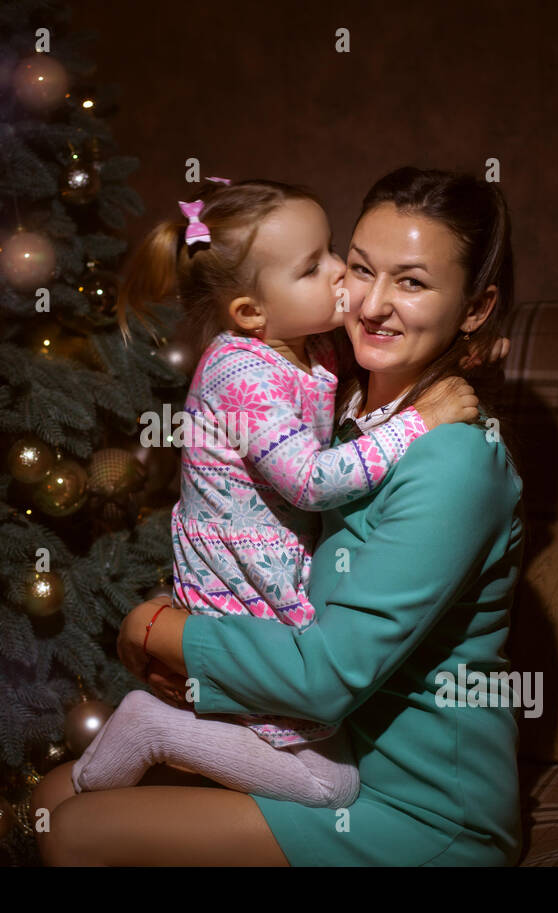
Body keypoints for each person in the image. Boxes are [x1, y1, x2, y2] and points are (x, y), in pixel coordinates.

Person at [32, 166, 524, 866]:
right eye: (358, 267)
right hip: (307, 743)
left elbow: (327, 678)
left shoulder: (456, 465)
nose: (371, 303)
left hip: (416, 810)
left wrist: (161, 631)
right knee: (51, 799)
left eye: (411, 282)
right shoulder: (341, 389)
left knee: (76, 832)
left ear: (475, 307)